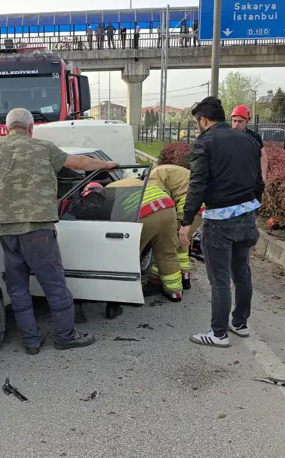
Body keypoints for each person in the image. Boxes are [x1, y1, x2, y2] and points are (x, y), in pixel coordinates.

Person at [0, 108, 117, 355]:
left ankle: (31, 341)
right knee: (54, 285)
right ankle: (66, 336)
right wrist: (106, 164)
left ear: (6, 128)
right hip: (37, 228)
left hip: (5, 229)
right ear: (31, 129)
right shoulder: (43, 148)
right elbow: (81, 163)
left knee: (17, 287)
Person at [180, 97, 264, 348]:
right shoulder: (249, 140)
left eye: (197, 123)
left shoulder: (204, 143)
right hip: (247, 215)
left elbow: (197, 185)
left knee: (219, 279)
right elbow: (259, 180)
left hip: (219, 221)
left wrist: (186, 221)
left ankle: (218, 333)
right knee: (242, 273)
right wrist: (253, 206)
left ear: (203, 120)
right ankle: (240, 323)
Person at [105, 177, 184, 302]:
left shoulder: (107, 192)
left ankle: (131, 293)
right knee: (167, 251)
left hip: (145, 212)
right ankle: (175, 292)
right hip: (167, 206)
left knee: (131, 255)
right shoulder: (131, 182)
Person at [147, 164, 199, 289]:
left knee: (166, 247)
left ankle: (156, 281)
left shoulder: (153, 177)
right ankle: (184, 278)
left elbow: (159, 199)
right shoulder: (166, 170)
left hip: (188, 208)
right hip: (200, 206)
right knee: (182, 242)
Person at [230, 104, 268, 183]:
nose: (236, 124)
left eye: (240, 121)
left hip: (250, 180)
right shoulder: (226, 136)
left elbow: (263, 156)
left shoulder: (254, 137)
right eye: (234, 121)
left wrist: (263, 175)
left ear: (247, 121)